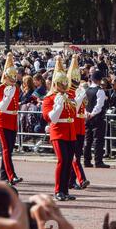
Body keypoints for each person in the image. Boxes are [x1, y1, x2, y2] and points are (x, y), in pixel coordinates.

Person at [42, 56, 77, 201]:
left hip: (70, 131)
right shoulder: (49, 99)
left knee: (69, 161)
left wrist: (78, 101)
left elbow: (74, 115)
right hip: (58, 131)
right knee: (62, 160)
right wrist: (58, 105)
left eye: (65, 82)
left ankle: (65, 190)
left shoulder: (68, 97)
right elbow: (50, 117)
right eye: (61, 82)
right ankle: (58, 190)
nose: (63, 85)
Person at [0, 52, 23, 185]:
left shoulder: (15, 88)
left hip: (12, 120)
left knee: (9, 149)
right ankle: (11, 175)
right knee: (5, 149)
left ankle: (4, 174)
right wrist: (7, 97)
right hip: (3, 120)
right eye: (11, 78)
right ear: (5, 77)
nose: (13, 80)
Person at [67, 55, 90, 190]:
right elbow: (72, 109)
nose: (76, 80)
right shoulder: (68, 93)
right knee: (75, 156)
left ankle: (71, 181)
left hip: (80, 126)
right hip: (73, 126)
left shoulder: (78, 90)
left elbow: (83, 106)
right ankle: (81, 179)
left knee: (76, 156)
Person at [84, 71, 110, 168]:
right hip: (97, 118)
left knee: (88, 139)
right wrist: (92, 114)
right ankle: (98, 161)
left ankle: (87, 160)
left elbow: (84, 104)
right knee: (98, 140)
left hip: (87, 117)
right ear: (99, 80)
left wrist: (87, 113)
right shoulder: (100, 91)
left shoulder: (86, 90)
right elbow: (99, 106)